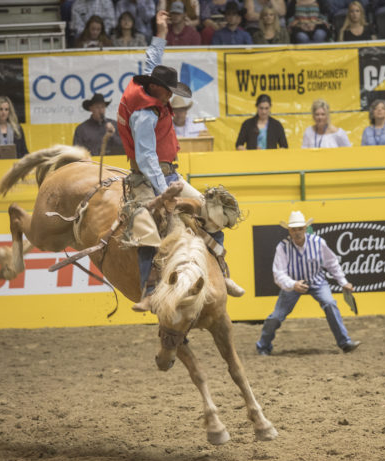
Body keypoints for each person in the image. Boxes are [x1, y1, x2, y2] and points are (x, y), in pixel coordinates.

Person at [117, 9, 244, 312]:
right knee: (147, 226)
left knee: (212, 211)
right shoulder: (145, 115)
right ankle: (149, 289)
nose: (172, 97)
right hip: (150, 179)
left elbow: (151, 59)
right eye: (170, 92)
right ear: (158, 89)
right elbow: (147, 159)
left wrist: (161, 31)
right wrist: (165, 195)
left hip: (168, 175)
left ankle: (219, 271)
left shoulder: (149, 86)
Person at [254, 210, 361, 355]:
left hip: (317, 281)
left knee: (330, 304)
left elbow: (332, 263)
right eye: (294, 229)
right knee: (276, 317)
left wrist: (343, 282)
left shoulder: (318, 243)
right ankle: (263, 346)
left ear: (305, 229)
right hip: (293, 284)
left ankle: (345, 343)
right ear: (289, 231)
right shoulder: (282, 247)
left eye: (300, 229)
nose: (297, 232)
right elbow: (278, 273)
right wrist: (293, 284)